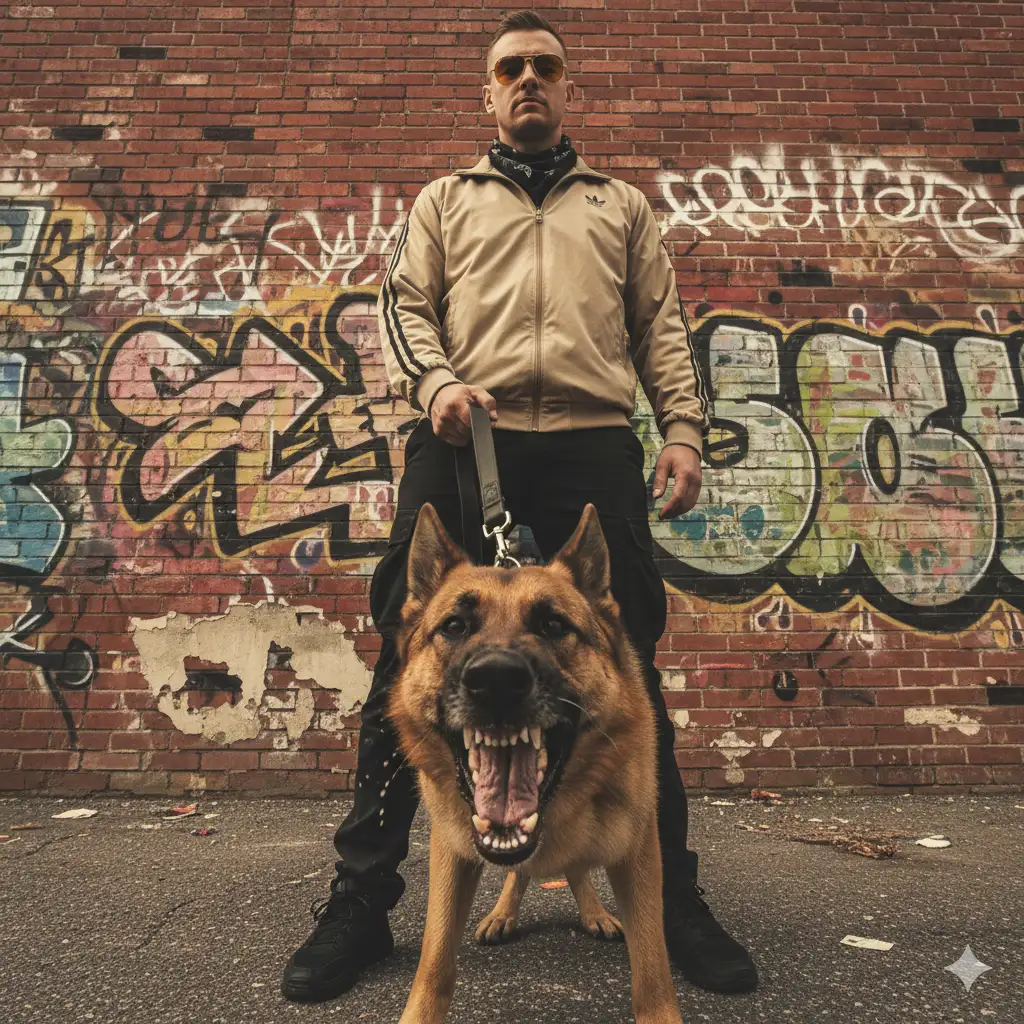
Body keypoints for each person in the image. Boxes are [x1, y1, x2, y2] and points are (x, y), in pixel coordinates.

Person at [281, 9, 758, 1004]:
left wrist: (680, 430)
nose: (529, 79)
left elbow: (659, 324)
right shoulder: (445, 199)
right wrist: (437, 386)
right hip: (464, 437)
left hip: (590, 442)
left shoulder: (618, 205)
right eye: (511, 69)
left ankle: (671, 907)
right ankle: (360, 903)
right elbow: (402, 305)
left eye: (546, 66)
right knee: (406, 659)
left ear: (567, 87)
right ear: (487, 93)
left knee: (624, 668)